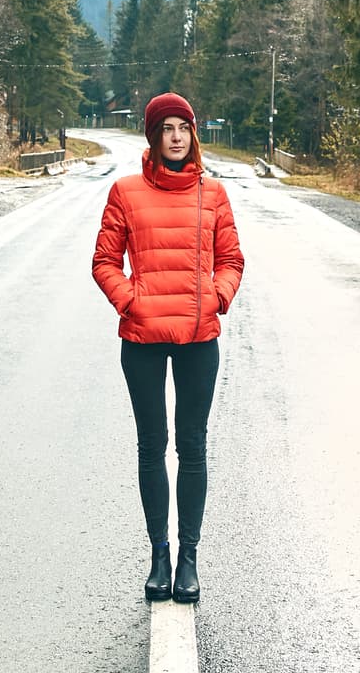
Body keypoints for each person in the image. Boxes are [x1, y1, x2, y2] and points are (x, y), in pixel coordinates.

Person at [91, 92, 244, 604]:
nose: (176, 137)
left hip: (199, 337)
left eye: (183, 127)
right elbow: (105, 262)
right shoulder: (125, 192)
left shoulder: (214, 195)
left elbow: (231, 260)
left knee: (192, 448)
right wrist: (131, 302)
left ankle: (189, 559)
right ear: (153, 136)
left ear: (192, 134)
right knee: (151, 446)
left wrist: (216, 298)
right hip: (143, 339)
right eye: (166, 128)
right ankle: (159, 554)